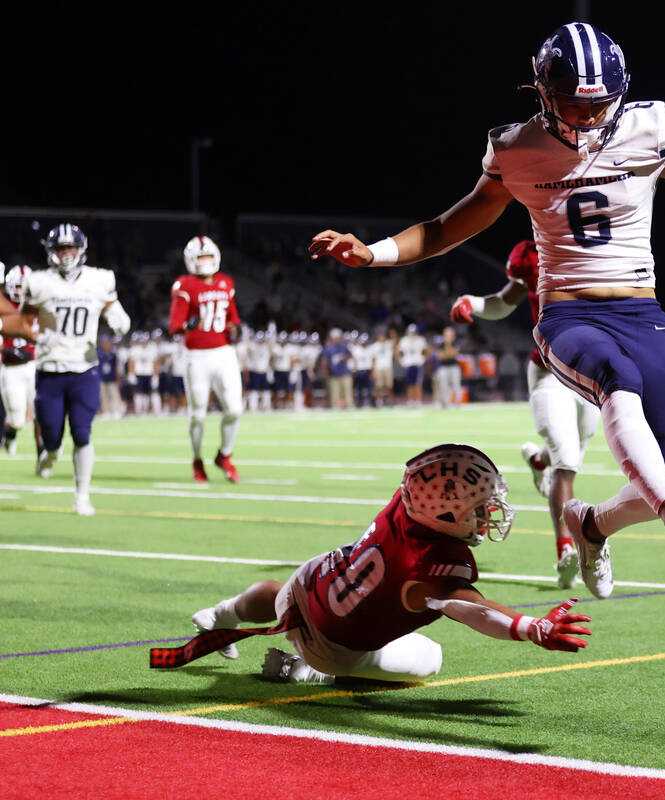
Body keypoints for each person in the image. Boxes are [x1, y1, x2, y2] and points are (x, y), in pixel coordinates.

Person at [309, 21, 665, 598]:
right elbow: (446, 228)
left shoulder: (646, 130)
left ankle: (589, 523)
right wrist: (373, 253)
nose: (586, 117)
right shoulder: (519, 150)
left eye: (598, 104)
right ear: (542, 92)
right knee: (619, 385)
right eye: (572, 104)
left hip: (644, 315)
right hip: (568, 316)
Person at [155, 444, 591, 681]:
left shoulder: (408, 501)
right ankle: (303, 671)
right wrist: (530, 627)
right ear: (445, 514)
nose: (488, 514)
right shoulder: (431, 565)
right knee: (430, 660)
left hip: (311, 583)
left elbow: (429, 471)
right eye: (479, 507)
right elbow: (470, 608)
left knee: (282, 597)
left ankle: (219, 613)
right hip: (333, 650)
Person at [451, 239, 600, 589]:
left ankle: (537, 460)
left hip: (592, 372)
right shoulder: (531, 253)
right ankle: (565, 550)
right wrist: (472, 301)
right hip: (549, 371)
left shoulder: (600, 245)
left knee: (573, 449)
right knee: (566, 462)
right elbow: (505, 301)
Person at [25, 223, 131, 515]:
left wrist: (121, 319)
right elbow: (23, 321)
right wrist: (36, 335)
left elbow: (113, 308)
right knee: (52, 438)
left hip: (85, 369)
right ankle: (49, 454)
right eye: (61, 248)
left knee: (82, 432)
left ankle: (81, 496)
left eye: (71, 247)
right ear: (51, 251)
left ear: (81, 249)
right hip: (50, 369)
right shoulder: (38, 282)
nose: (66, 253)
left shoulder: (99, 279)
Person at [167, 236, 244, 483]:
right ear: (191, 260)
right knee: (198, 414)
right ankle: (197, 460)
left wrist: (237, 329)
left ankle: (225, 455)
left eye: (208, 257)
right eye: (200, 258)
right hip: (197, 356)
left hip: (224, 353)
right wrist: (188, 325)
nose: (205, 262)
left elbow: (233, 317)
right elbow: (174, 326)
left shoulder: (225, 282)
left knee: (234, 409)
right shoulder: (185, 285)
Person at [2, 265, 39, 455]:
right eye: (17, 286)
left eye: (23, 287)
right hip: (10, 367)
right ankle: (10, 434)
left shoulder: (38, 306)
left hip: (34, 365)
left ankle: (43, 452)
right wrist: (8, 351)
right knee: (17, 418)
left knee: (40, 412)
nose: (20, 291)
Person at [319, 327, 353, 409]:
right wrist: (325, 372)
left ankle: (349, 408)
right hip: (333, 375)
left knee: (347, 395)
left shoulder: (344, 347)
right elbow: (324, 361)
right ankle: (335, 409)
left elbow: (350, 356)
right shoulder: (329, 348)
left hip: (345, 373)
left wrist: (344, 359)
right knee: (334, 395)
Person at [397, 324, 428, 407]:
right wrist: (401, 361)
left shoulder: (420, 340)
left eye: (413, 332)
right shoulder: (404, 340)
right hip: (408, 365)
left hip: (417, 364)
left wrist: (423, 360)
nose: (412, 334)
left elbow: (426, 351)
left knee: (418, 384)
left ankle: (418, 400)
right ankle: (411, 400)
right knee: (409, 384)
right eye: (411, 332)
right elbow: (398, 352)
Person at [433, 326, 462, 408]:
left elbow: (453, 354)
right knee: (444, 386)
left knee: (456, 385)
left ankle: (458, 403)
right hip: (443, 367)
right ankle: (446, 403)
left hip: (454, 366)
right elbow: (440, 356)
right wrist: (447, 353)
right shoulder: (440, 344)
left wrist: (447, 349)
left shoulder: (456, 343)